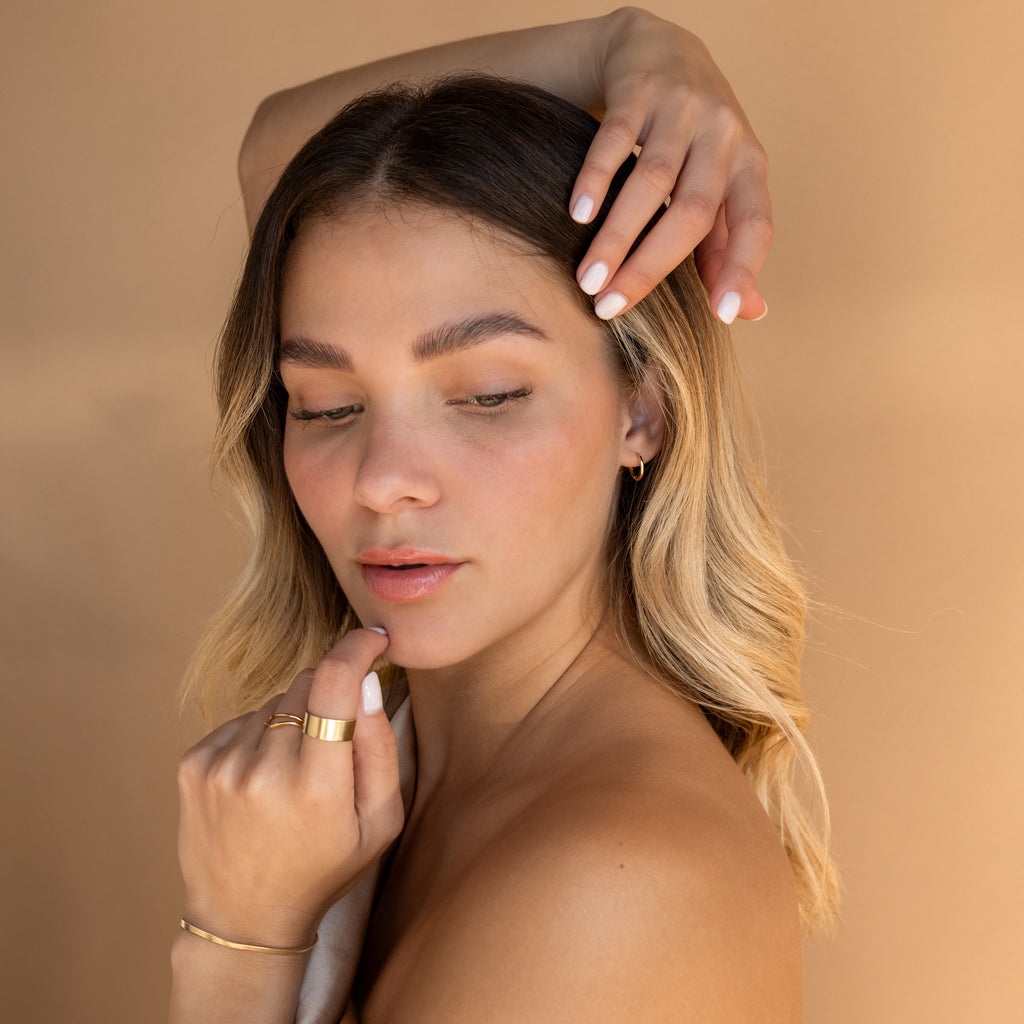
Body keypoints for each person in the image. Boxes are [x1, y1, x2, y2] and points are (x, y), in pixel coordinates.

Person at [170, 10, 838, 1023]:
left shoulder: (614, 891)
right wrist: (624, 48)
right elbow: (281, 148)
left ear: (641, 411)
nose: (383, 480)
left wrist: (238, 943)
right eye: (326, 404)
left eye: (486, 394)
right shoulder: (422, 771)